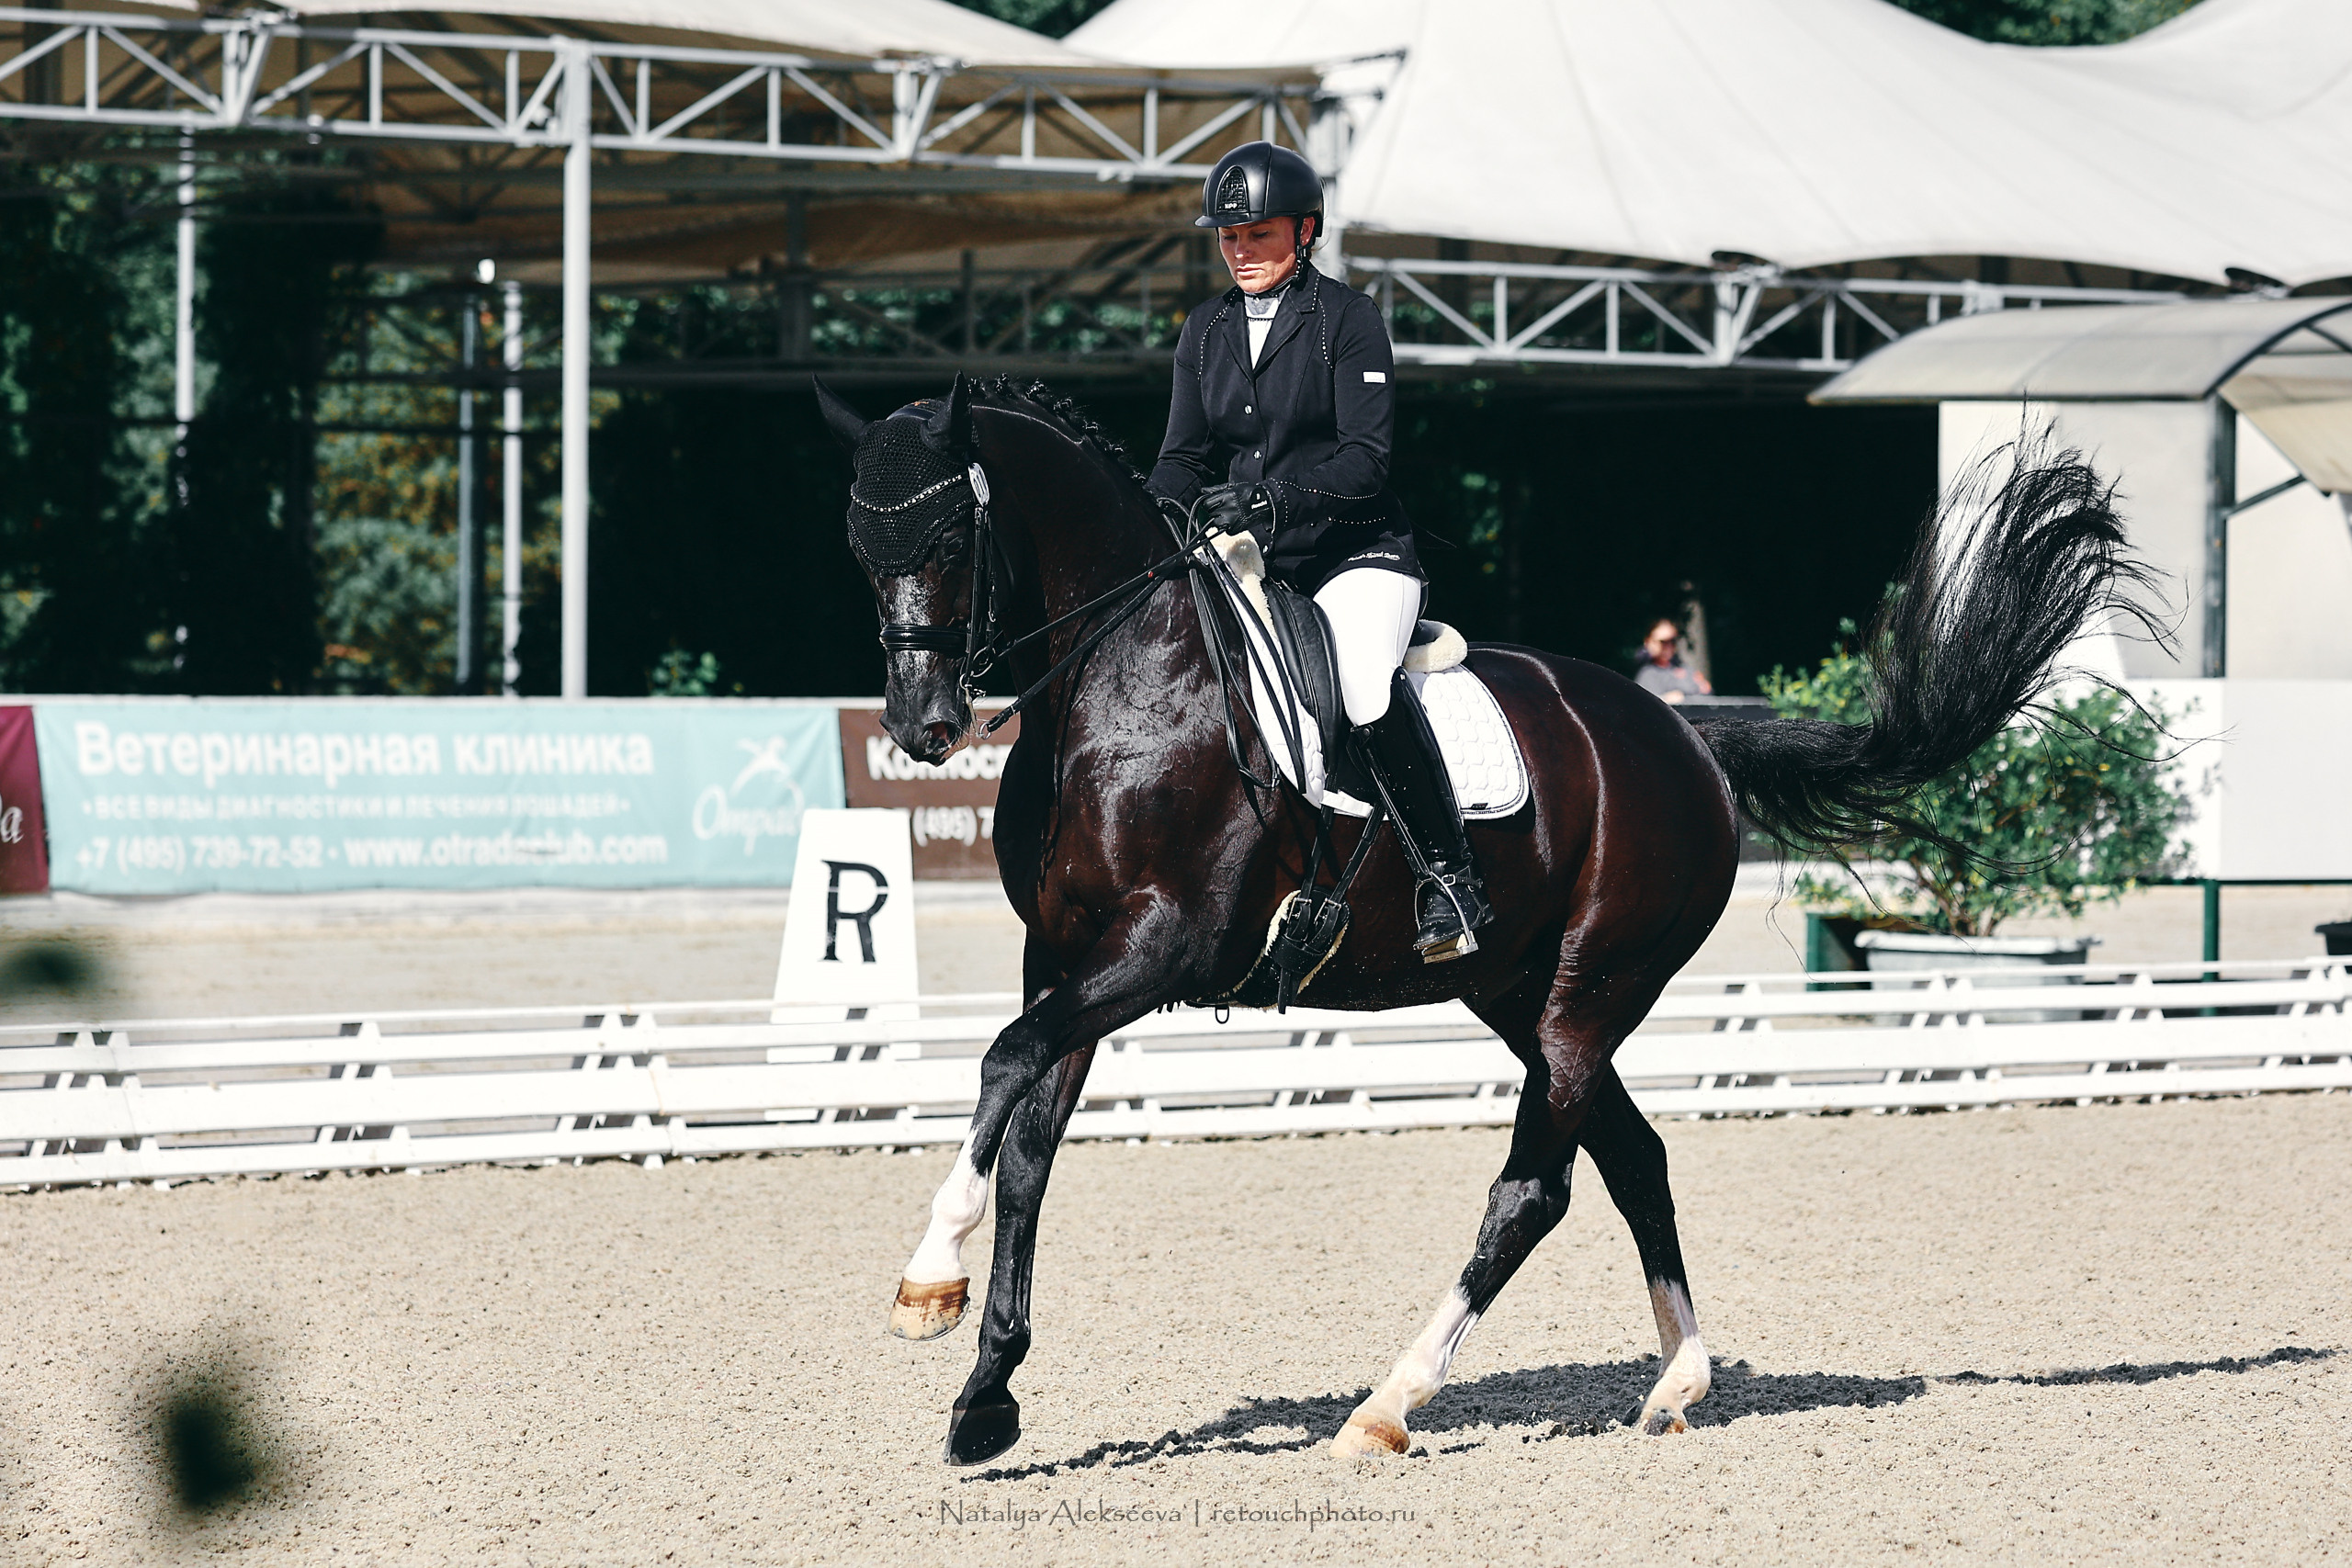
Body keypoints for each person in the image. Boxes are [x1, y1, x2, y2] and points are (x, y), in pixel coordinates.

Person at [1149, 141, 1492, 963]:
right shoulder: (1204, 330)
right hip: (1252, 561)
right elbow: (1181, 454)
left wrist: (1268, 502)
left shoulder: (1349, 320)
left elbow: (1365, 461)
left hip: (1357, 554)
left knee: (1365, 687)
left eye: (1257, 235)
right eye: (1227, 237)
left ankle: (1450, 876)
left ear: (1305, 232)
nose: (1239, 252)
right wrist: (1153, 508)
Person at [1633, 617, 1713, 703]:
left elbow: (1707, 695)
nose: (1668, 646)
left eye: (1672, 641)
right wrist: (1667, 699)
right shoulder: (1647, 674)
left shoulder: (1687, 670)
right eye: (1663, 642)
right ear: (1648, 642)